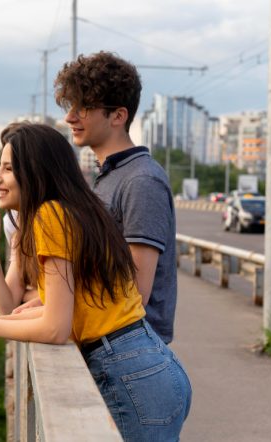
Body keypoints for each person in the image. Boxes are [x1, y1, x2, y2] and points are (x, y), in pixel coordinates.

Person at [0, 122, 191, 441]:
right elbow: (63, 310)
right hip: (146, 363)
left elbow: (55, 328)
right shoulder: (71, 210)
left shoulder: (50, 217)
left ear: (36, 172)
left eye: (8, 169)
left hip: (131, 373)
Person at [53, 51, 179, 344]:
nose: (70, 117)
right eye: (71, 106)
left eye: (84, 107)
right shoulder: (110, 176)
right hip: (110, 344)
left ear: (118, 116)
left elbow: (134, 293)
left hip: (130, 352)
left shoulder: (141, 181)